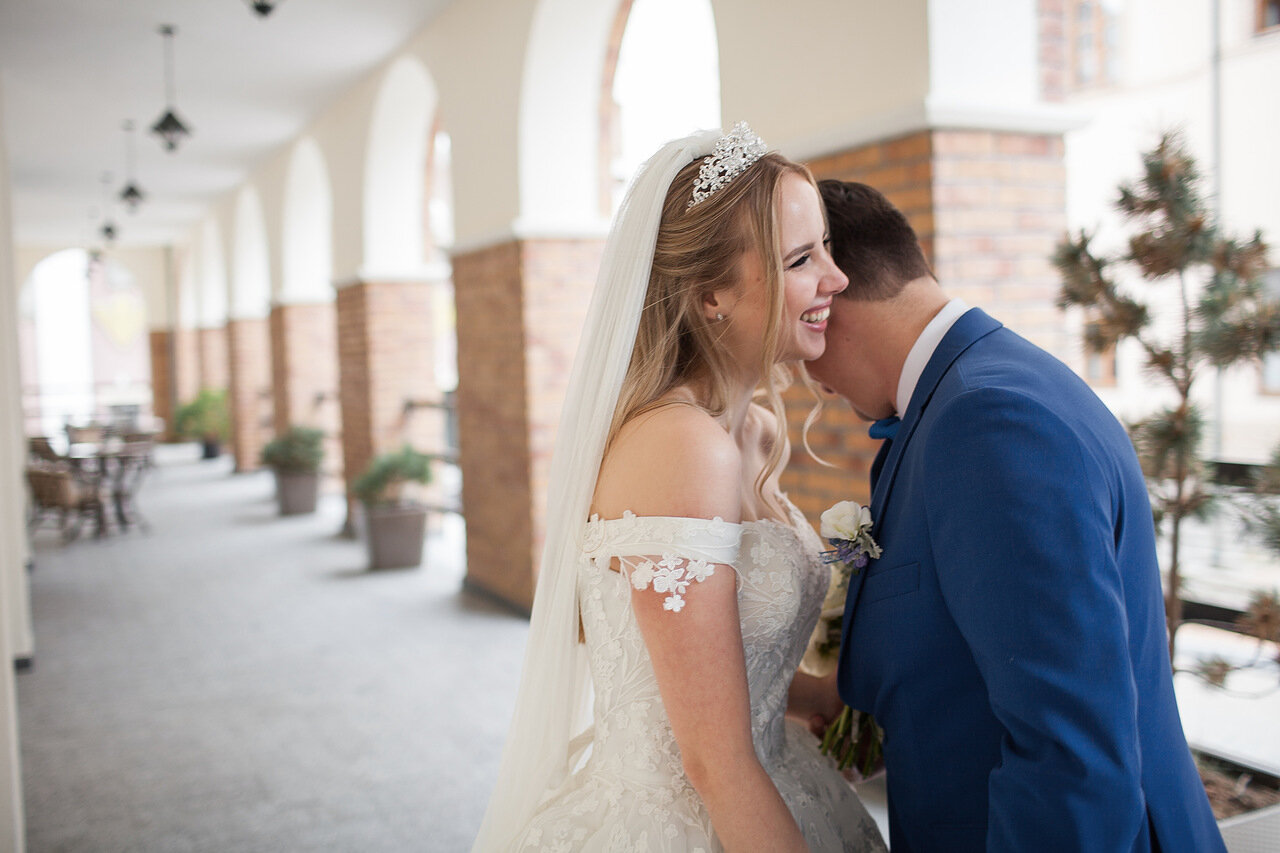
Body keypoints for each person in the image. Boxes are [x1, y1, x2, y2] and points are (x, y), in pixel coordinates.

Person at [472, 126, 886, 851]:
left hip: (776, 770)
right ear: (710, 295)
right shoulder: (680, 446)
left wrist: (824, 696)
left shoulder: (753, 431)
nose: (836, 277)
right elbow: (712, 762)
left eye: (825, 247)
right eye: (801, 259)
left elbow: (709, 666)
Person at [805, 179, 1226, 852]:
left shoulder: (988, 420)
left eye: (800, 339)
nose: (814, 380)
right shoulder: (971, 394)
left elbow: (1070, 752)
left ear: (830, 292)